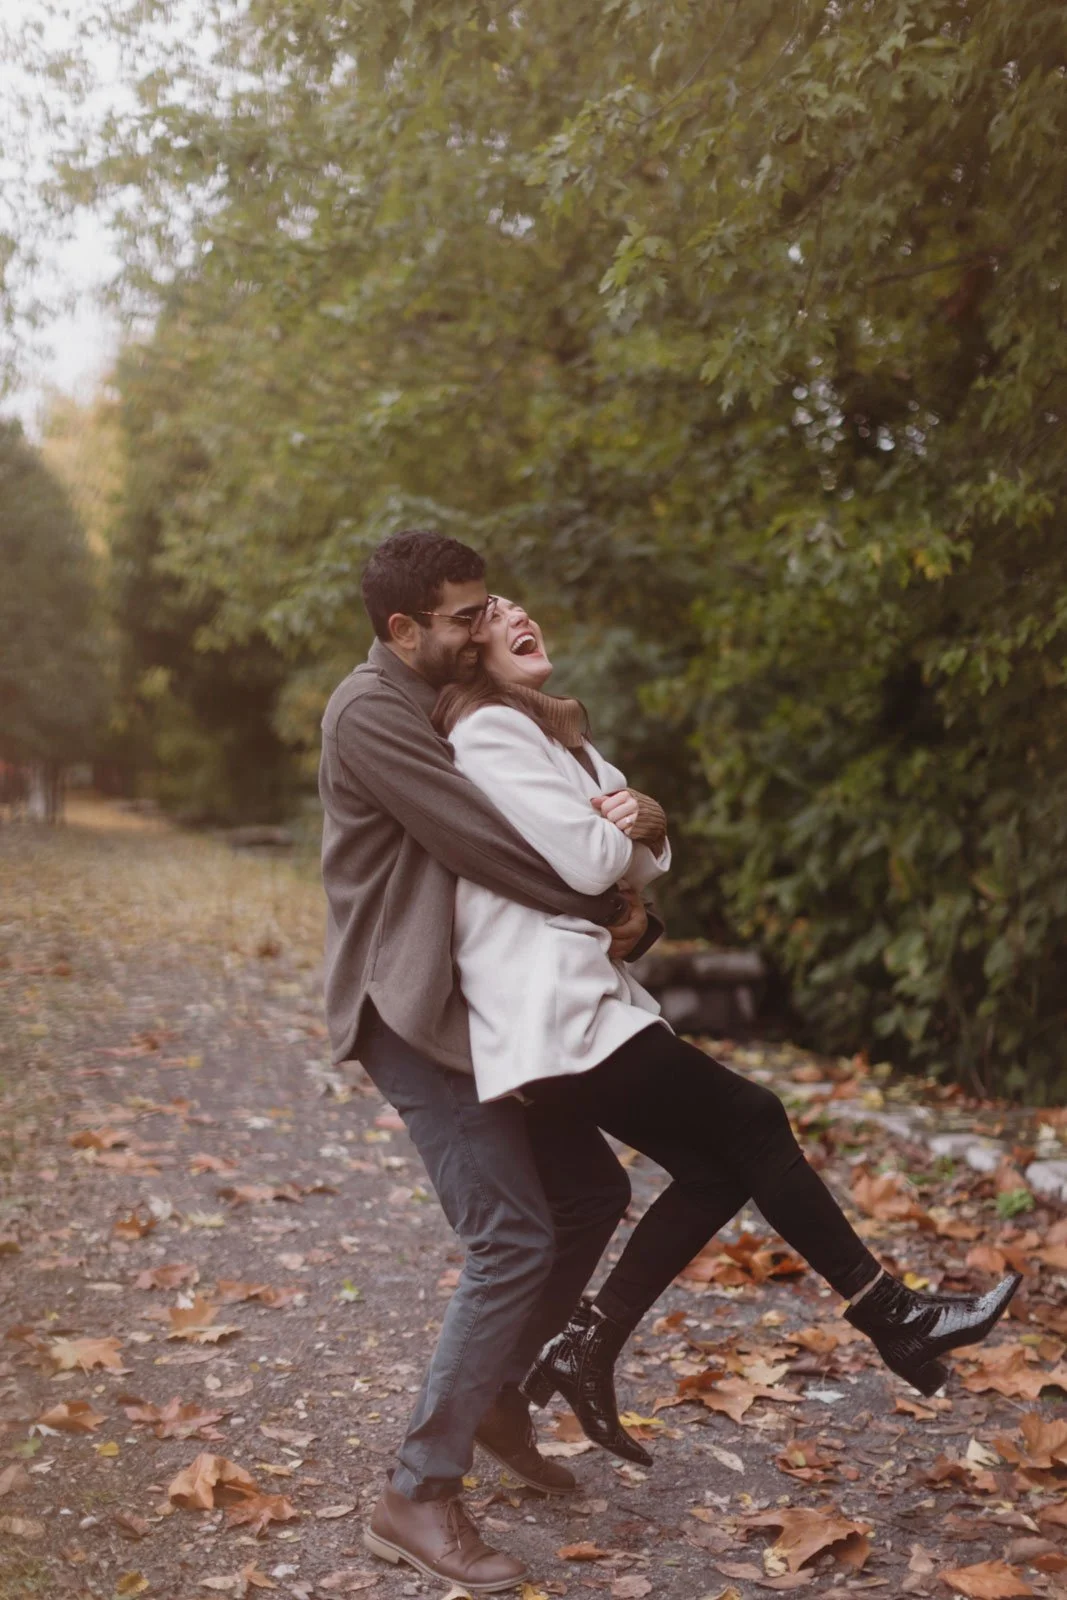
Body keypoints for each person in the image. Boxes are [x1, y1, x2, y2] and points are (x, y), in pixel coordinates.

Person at [433, 596, 1022, 1468]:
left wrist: (636, 831)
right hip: (548, 1005)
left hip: (580, 998)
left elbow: (651, 843)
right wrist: (627, 833)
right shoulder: (488, 730)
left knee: (714, 1169)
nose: (520, 613)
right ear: (469, 649)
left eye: (519, 604)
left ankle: (586, 1347)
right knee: (750, 1119)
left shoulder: (555, 732)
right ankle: (892, 1316)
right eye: (494, 612)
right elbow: (600, 858)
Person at [320, 529, 671, 1594]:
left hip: (480, 1002)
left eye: (483, 609)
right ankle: (416, 1491)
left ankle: (501, 1398)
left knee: (587, 1190)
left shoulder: (444, 691)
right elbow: (482, 840)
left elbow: (564, 792)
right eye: (465, 615)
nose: (484, 626)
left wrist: (640, 830)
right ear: (403, 629)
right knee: (510, 1233)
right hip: (411, 1005)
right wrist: (616, 901)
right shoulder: (371, 711)